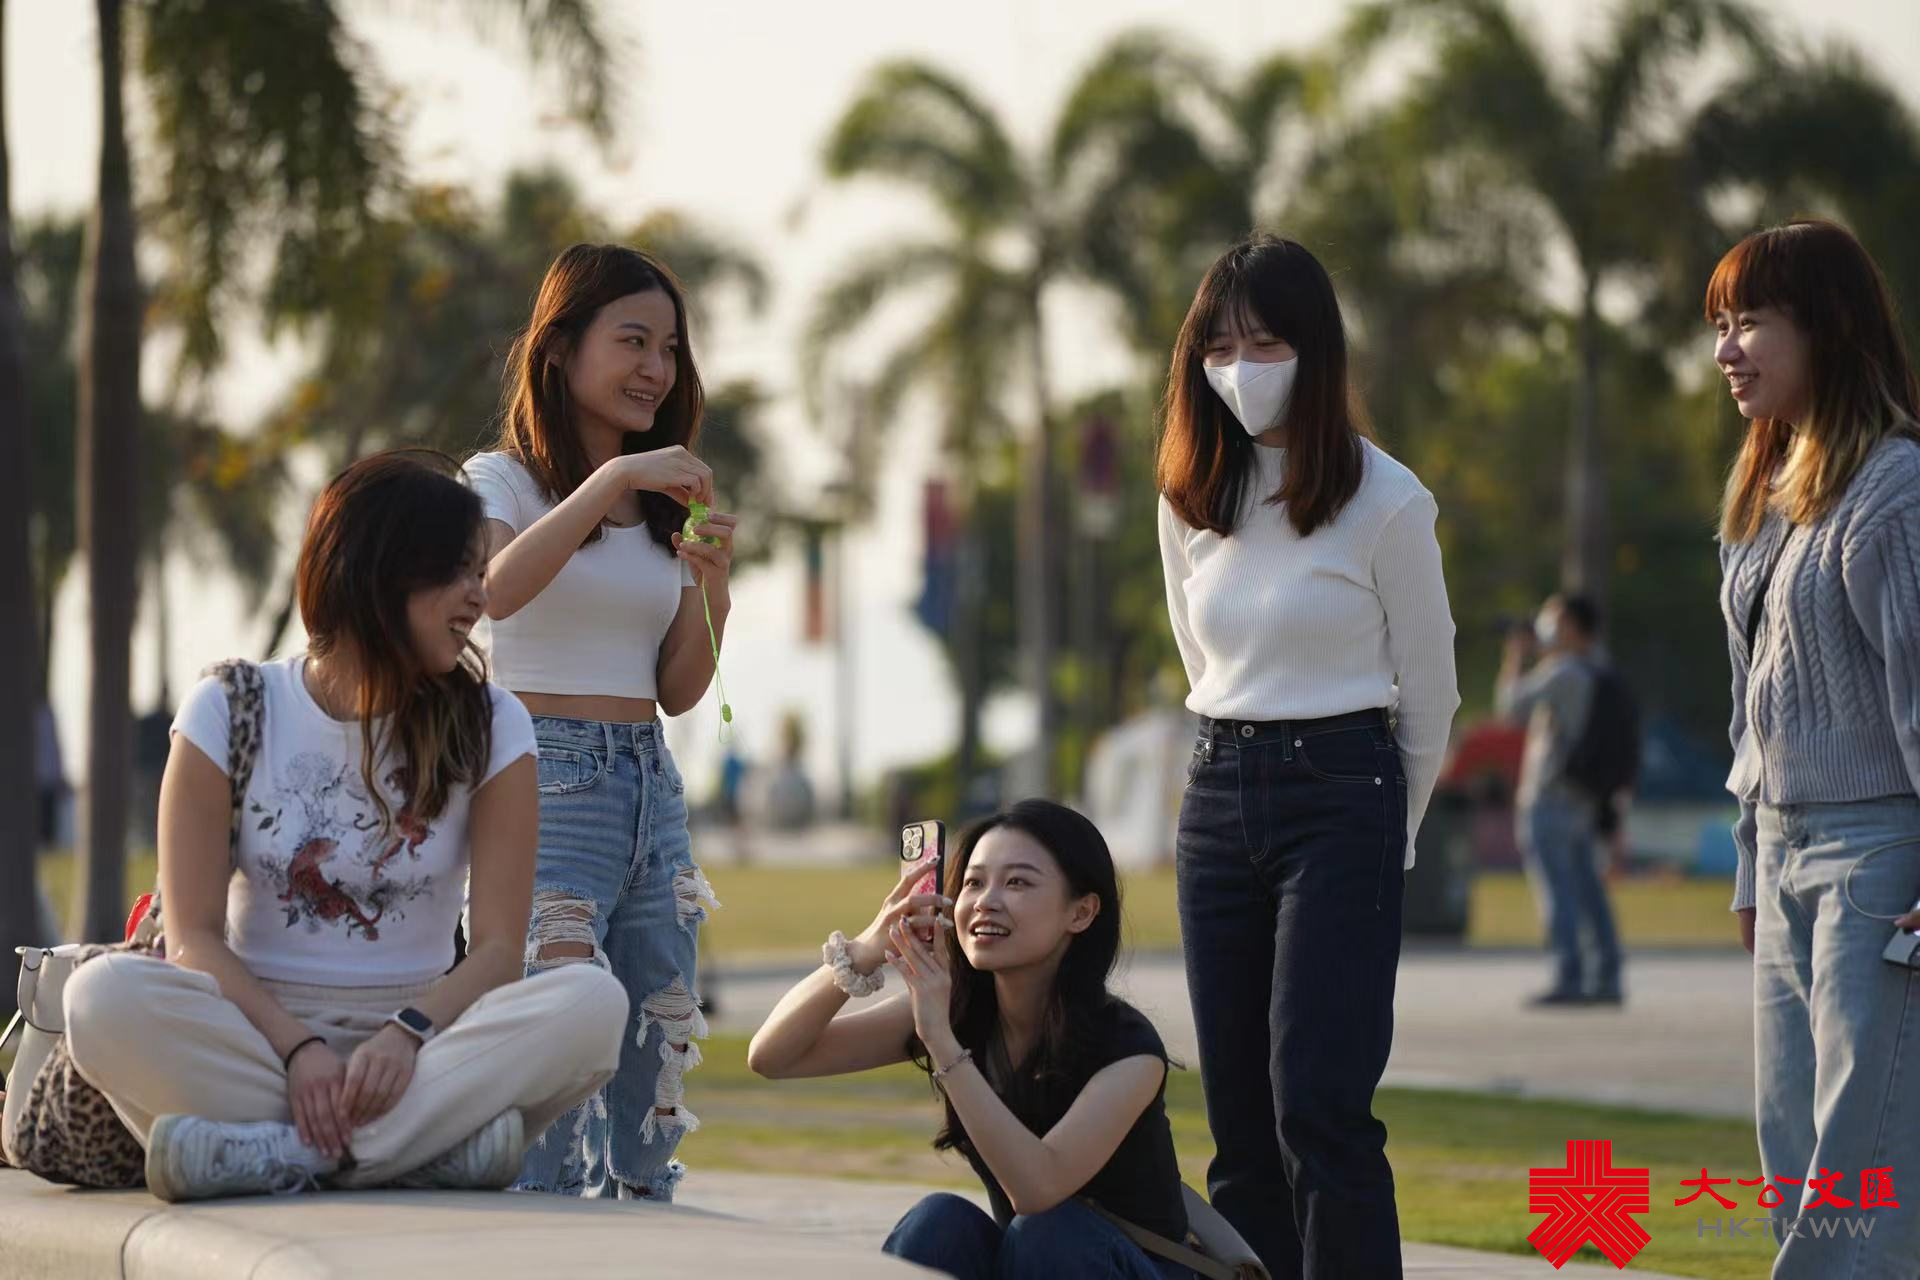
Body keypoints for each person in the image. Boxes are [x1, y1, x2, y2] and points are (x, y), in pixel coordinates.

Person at [59, 451, 627, 1202]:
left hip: (422, 1044)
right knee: (99, 997)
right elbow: (193, 938)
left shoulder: (494, 723)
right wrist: (300, 1051)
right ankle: (417, 1153)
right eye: (456, 573)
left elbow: (496, 951)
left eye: (478, 571)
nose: (479, 595)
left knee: (593, 1003)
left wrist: (407, 1032)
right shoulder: (229, 708)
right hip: (256, 1034)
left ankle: (275, 1154)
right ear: (381, 574)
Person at [1156, 234, 1459, 1278]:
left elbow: (1431, 689)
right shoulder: (1192, 492)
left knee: (1319, 1107)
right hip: (1216, 794)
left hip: (1344, 793)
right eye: (1219, 348)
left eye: (1266, 343)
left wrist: (1391, 830)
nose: (1240, 368)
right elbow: (1200, 656)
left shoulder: (1387, 499)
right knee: (1239, 1125)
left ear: (1315, 348)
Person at [465, 242, 735, 1200]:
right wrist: (610, 484)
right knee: (553, 1045)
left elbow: (678, 689)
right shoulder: (501, 481)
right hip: (545, 779)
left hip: (649, 783)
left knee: (654, 1040)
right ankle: (541, 1239)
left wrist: (715, 588)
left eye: (670, 348)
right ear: (560, 348)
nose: (656, 368)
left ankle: (644, 1224)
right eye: (633, 341)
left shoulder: (660, 509)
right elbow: (495, 591)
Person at [1708, 218, 1920, 1274]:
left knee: (1859, 1161)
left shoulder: (1894, 487)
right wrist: (1754, 859)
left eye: (1750, 322)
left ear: (1826, 328)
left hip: (1878, 856)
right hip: (1786, 849)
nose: (1726, 350)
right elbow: (1751, 709)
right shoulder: (1767, 494)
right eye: (1720, 325)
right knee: (1791, 1153)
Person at [747, 800, 1194, 1279]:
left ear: (1081, 912)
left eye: (1017, 882)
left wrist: (940, 1040)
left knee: (1048, 1230)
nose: (985, 901)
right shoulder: (958, 1008)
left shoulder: (1130, 1049)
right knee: (939, 1223)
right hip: (1033, 1259)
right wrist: (866, 947)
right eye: (974, 883)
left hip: (1130, 1267)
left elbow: (1038, 1190)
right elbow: (773, 1056)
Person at [1497, 594, 1624, 1006]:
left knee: (1558, 892)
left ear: (1569, 624)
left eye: (1552, 616)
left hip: (1550, 797)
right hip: (1583, 797)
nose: (1544, 624)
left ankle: (1569, 976)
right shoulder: (1599, 669)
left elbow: (1511, 707)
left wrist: (1516, 656)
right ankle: (1606, 975)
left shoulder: (1562, 671)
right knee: (1588, 890)